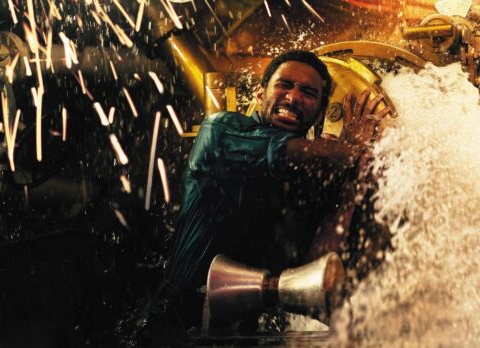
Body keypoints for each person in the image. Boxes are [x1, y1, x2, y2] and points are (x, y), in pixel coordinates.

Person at [131, 50, 391, 343]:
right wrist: (350, 148)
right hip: (177, 330)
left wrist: (352, 190)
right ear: (259, 92)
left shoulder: (304, 180)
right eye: (284, 85)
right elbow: (293, 152)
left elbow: (313, 266)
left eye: (307, 92)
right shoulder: (221, 132)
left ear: (320, 113)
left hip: (247, 336)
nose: (293, 98)